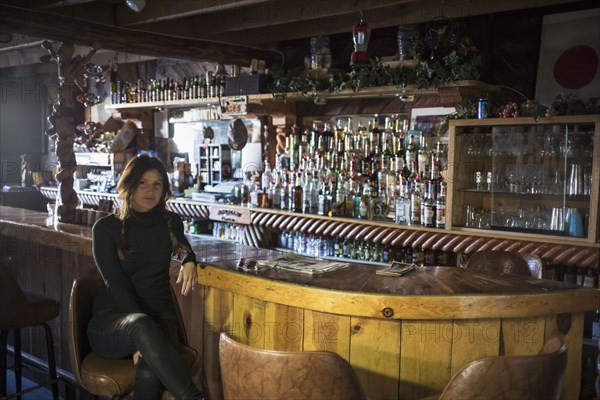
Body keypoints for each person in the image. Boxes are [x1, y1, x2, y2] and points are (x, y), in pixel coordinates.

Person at [88, 155, 203, 400]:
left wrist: (189, 259)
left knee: (150, 373)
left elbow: (182, 247)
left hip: (160, 323)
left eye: (157, 184)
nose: (150, 190)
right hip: (114, 325)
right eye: (143, 182)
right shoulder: (105, 229)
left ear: (164, 190)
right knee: (141, 325)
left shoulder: (170, 222)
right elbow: (115, 284)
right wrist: (140, 339)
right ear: (129, 185)